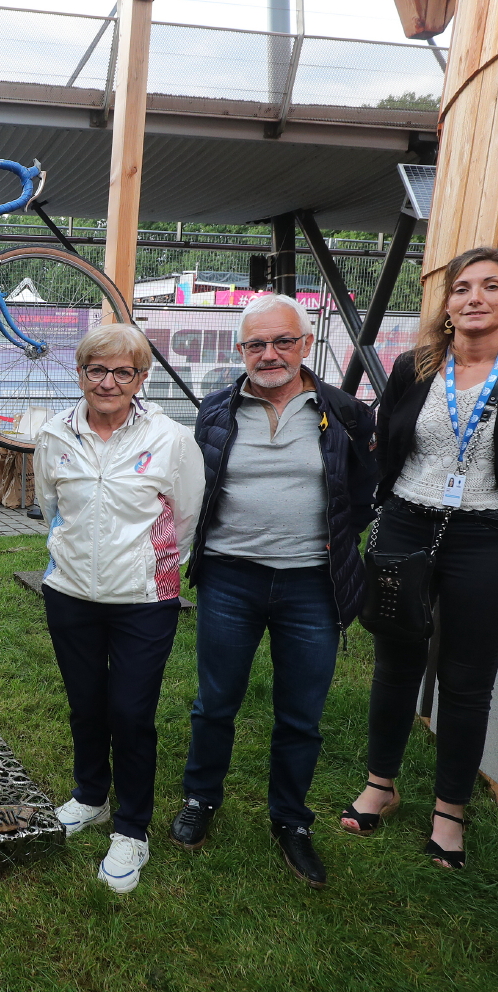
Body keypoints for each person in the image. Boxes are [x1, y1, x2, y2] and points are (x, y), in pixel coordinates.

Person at [339, 247, 498, 869]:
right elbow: (387, 444)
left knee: (466, 681)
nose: (474, 298)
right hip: (404, 526)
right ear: (447, 304)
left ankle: (449, 812)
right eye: (461, 289)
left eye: (490, 286)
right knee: (396, 664)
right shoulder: (415, 366)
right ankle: (381, 785)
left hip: (489, 541)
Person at [171, 293, 376, 889]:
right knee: (215, 702)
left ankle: (291, 819)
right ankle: (201, 799)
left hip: (314, 584)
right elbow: (196, 487)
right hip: (231, 579)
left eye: (282, 341)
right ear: (240, 351)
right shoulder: (215, 410)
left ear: (306, 345)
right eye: (256, 344)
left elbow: (361, 493)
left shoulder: (342, 413)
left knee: (302, 714)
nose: (270, 354)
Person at [34, 323, 204, 894]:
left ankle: (132, 828)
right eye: (96, 370)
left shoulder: (171, 438)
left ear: (141, 378)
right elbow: (51, 504)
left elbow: (184, 518)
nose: (109, 381)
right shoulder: (54, 433)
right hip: (71, 594)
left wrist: (148, 568)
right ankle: (90, 797)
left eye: (123, 371)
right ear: (80, 374)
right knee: (85, 705)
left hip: (143, 602)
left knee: (130, 714)